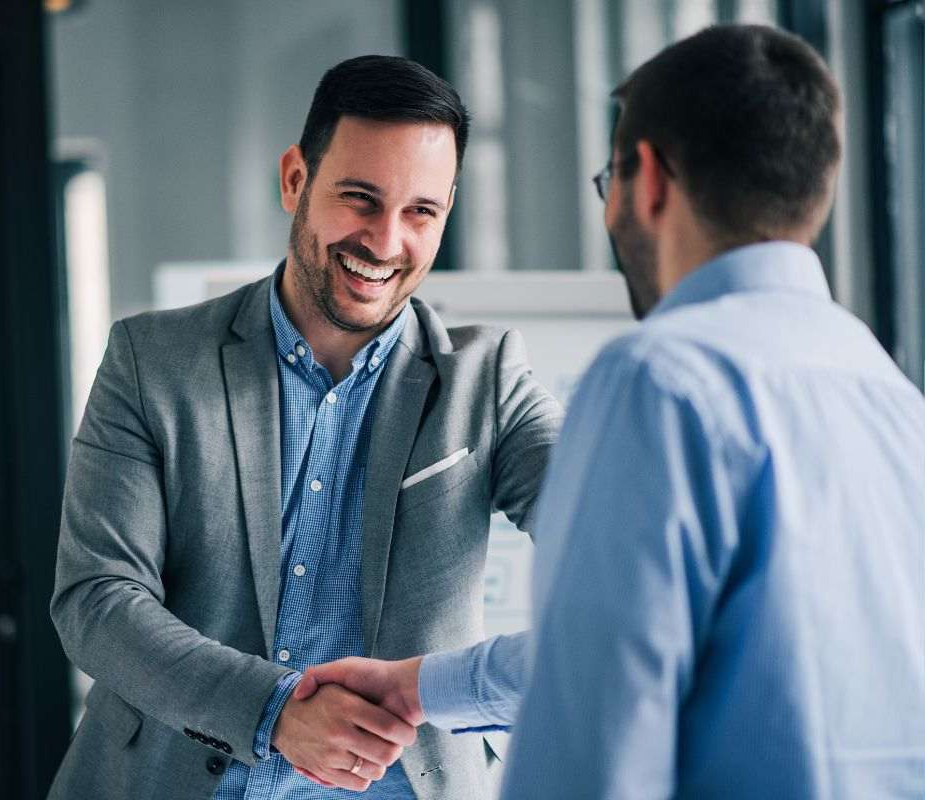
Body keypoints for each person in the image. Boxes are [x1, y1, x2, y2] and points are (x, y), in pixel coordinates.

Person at [294, 25, 925, 799]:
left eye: (608, 181)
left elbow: (593, 721)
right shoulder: (891, 396)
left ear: (649, 179)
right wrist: (422, 686)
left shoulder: (660, 379)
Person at [47, 55, 563, 800]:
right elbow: (96, 598)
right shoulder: (151, 361)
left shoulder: (486, 380)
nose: (386, 242)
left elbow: (620, 557)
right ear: (296, 179)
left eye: (421, 212)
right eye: (360, 198)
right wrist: (274, 711)